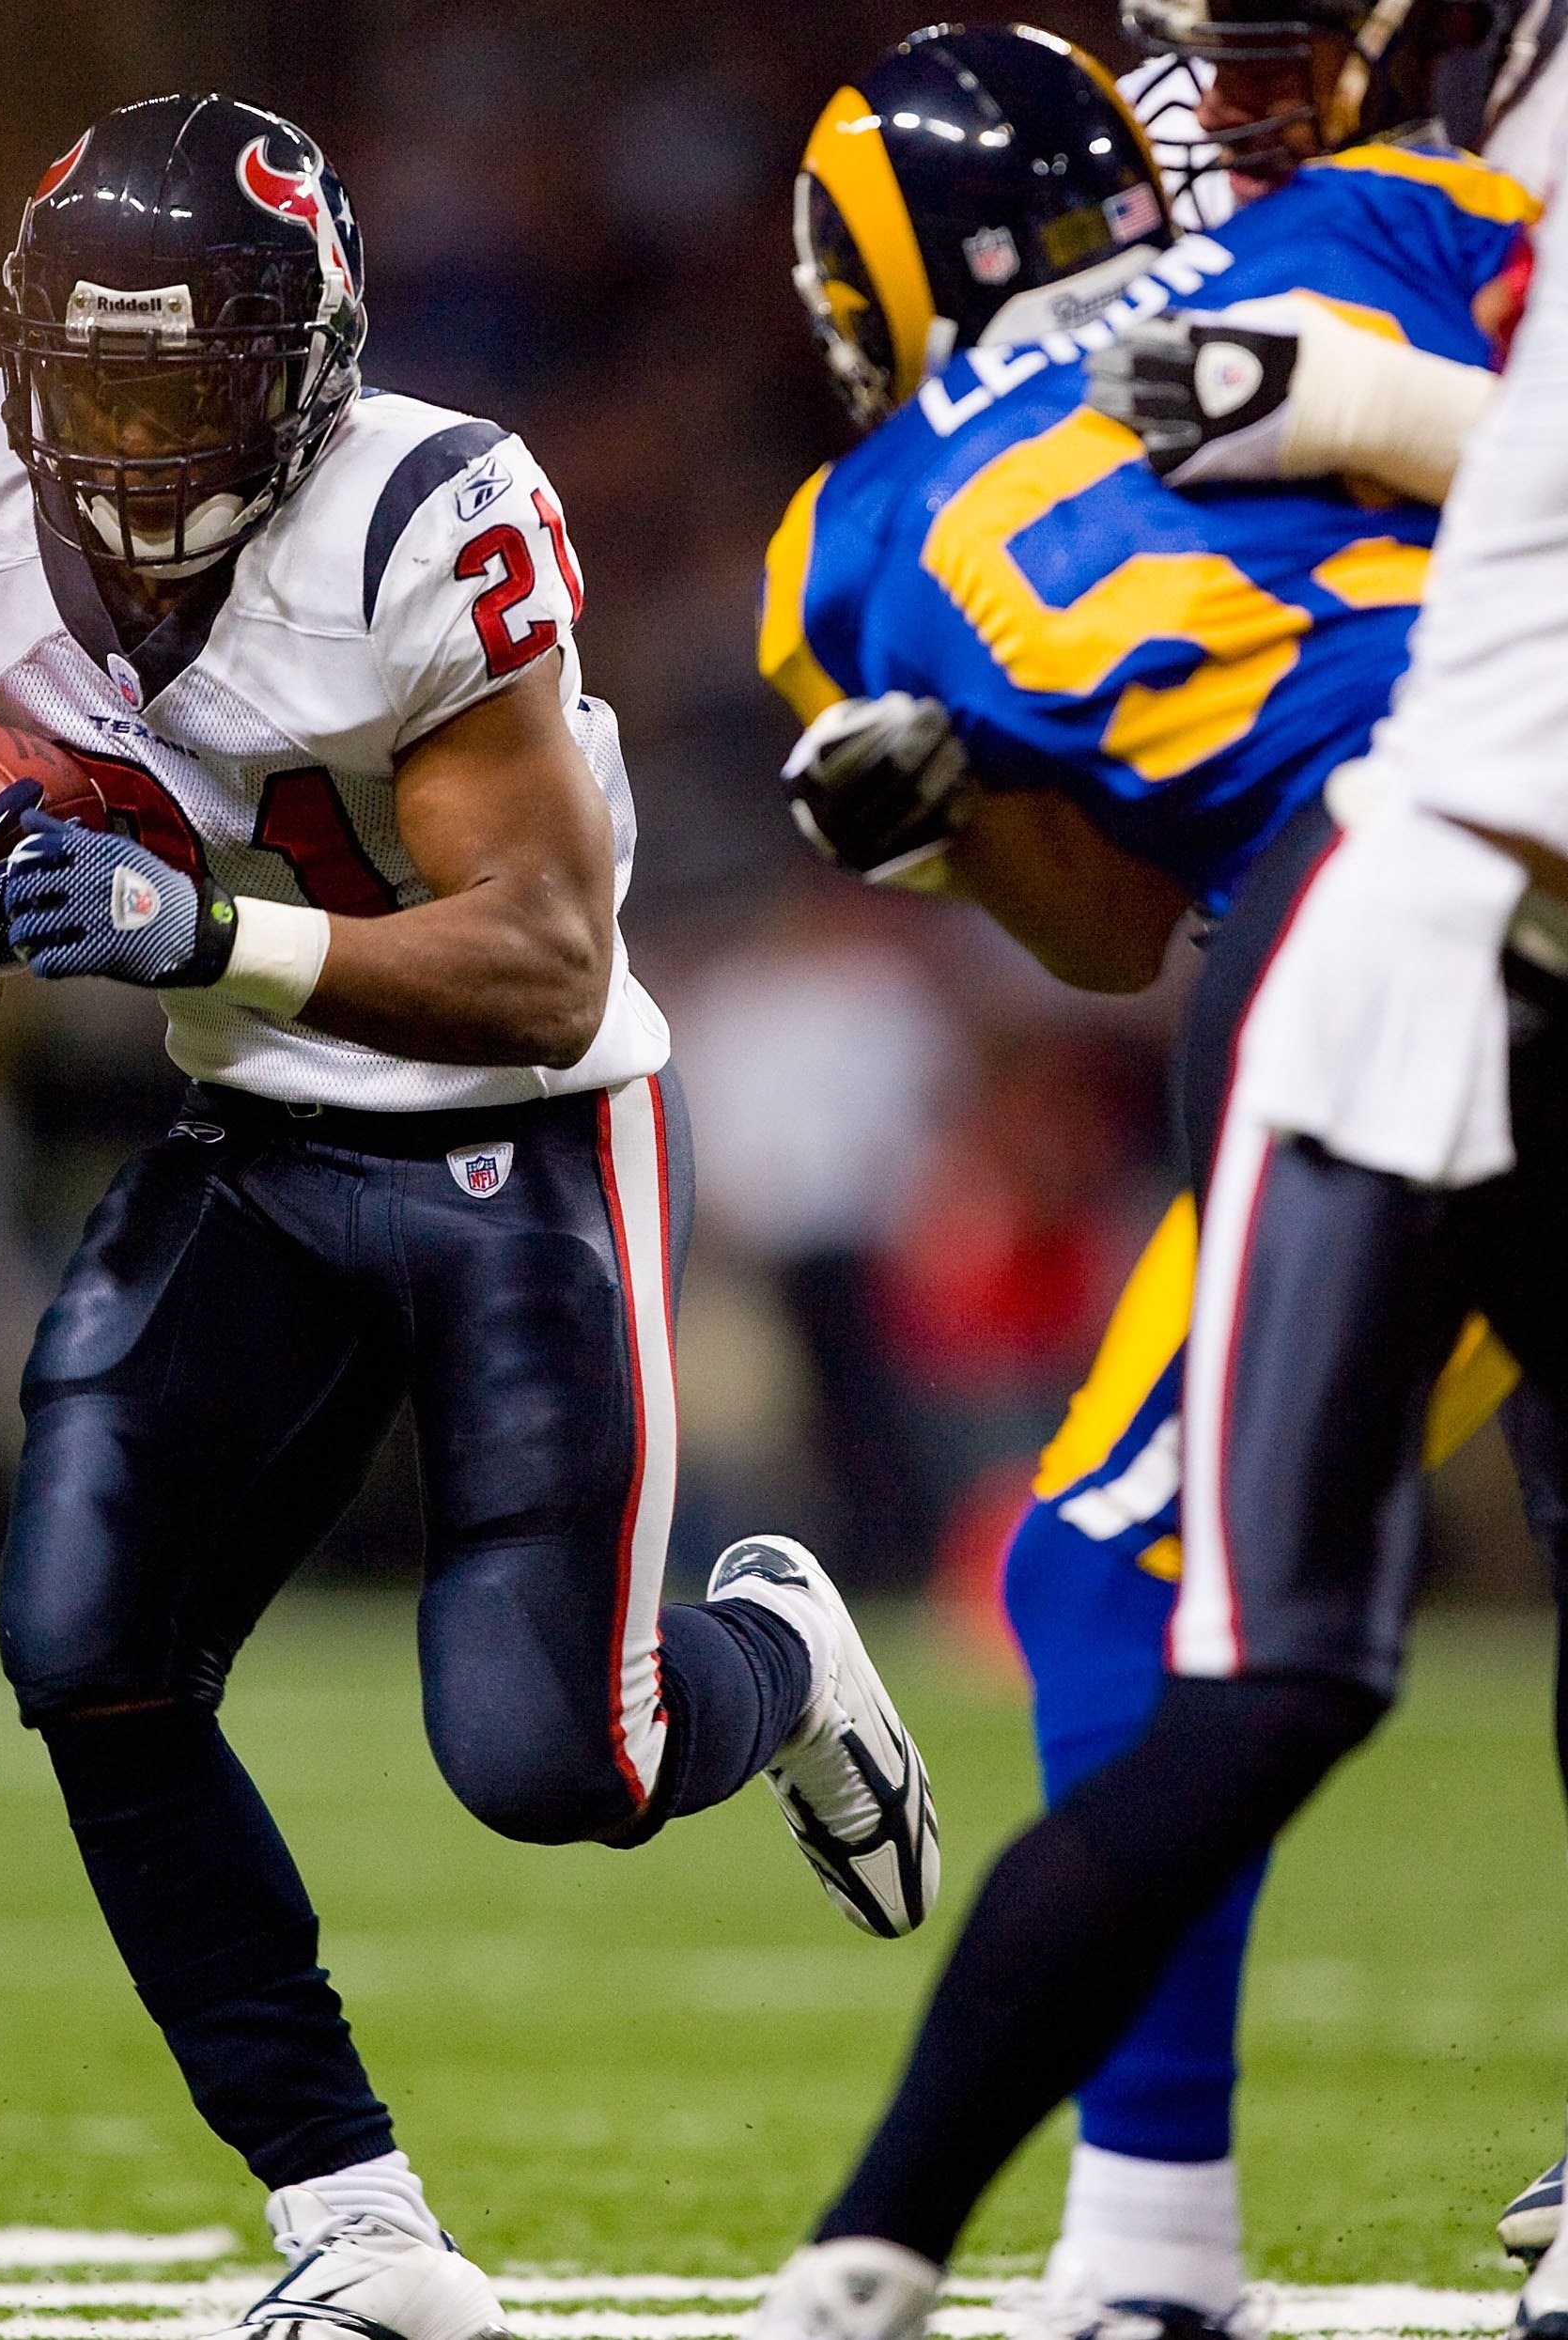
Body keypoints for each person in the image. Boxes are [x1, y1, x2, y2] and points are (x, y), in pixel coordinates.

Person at [0, 92, 940, 2340]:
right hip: (262, 1138)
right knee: (86, 1649)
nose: (131, 438)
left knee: (553, 1766)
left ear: (310, 359)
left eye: (185, 380)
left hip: (519, 1120)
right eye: (96, 382)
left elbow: (545, 961)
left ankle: (782, 1655)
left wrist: (202, 932)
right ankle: (359, 2227)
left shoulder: (427, 512)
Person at [756, 23, 1534, 2339]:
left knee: (1151, 1597)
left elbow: (1102, 935)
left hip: (1385, 929)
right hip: (1416, 891)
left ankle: (1114, 2249)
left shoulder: (856, 535)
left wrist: (941, 843)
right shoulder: (1366, 225)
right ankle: (1125, 2245)